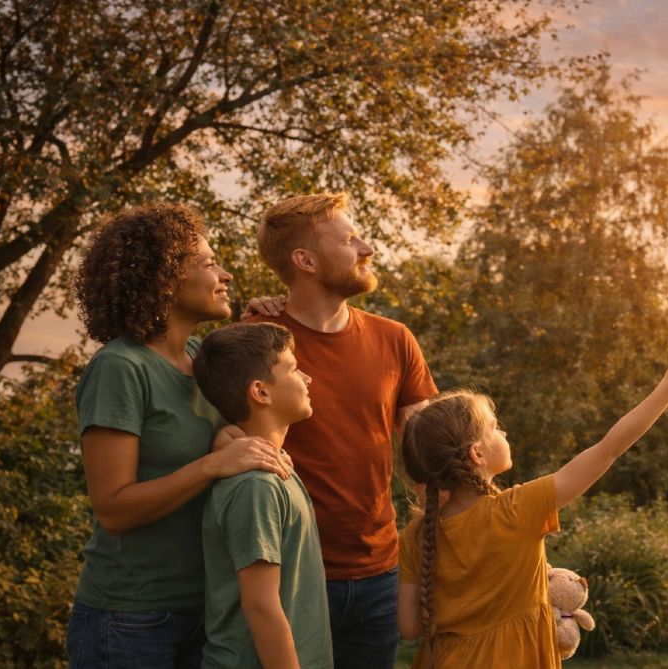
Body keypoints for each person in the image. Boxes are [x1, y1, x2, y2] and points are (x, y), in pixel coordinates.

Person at [67, 204, 290, 668]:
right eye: (209, 264)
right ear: (165, 279)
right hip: (129, 619)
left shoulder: (198, 357)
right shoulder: (120, 368)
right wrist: (212, 464)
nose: (224, 274)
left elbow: (269, 401)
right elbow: (113, 508)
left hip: (203, 607)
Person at [397, 350, 668, 668]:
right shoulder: (517, 509)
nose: (504, 432)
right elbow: (608, 449)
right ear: (477, 454)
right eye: (495, 427)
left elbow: (410, 627)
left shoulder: (416, 534)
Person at [246, 192, 438, 668]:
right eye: (351, 239)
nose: (367, 248)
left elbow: (430, 461)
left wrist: (439, 554)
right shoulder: (256, 338)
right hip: (289, 575)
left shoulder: (396, 340)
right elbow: (229, 439)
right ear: (305, 260)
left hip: (379, 574)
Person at [194, 322, 332, 669]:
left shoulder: (273, 469)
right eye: (294, 369)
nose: (307, 378)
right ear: (261, 392)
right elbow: (261, 607)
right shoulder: (256, 485)